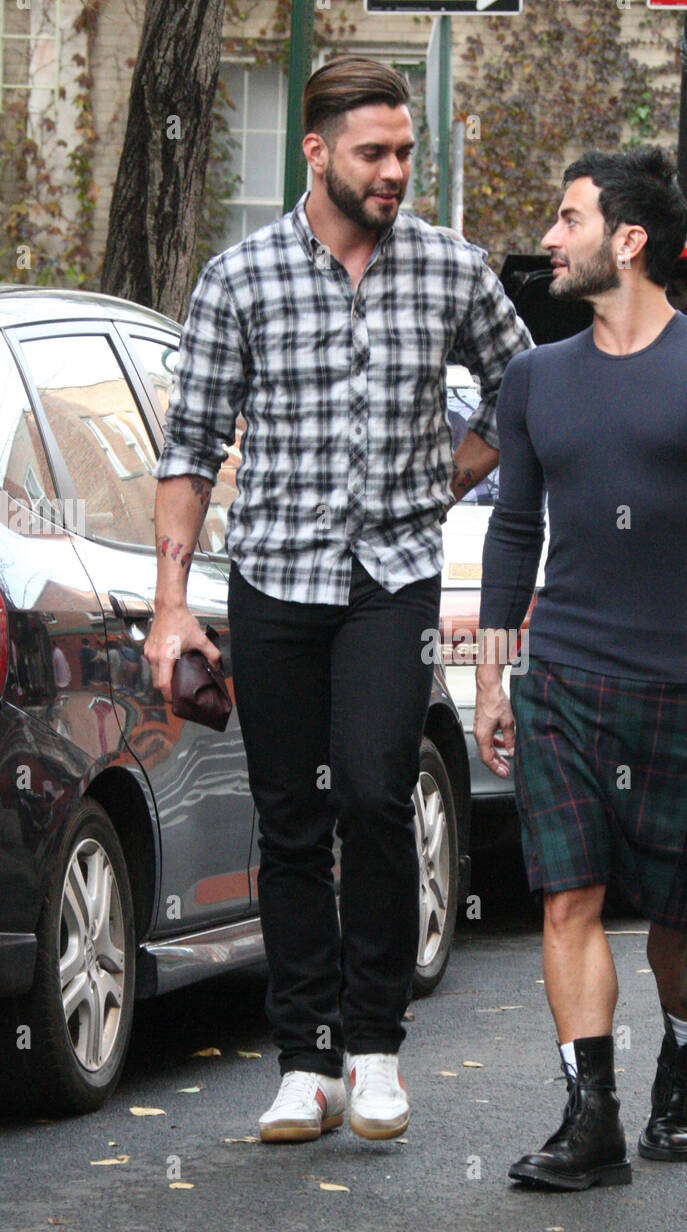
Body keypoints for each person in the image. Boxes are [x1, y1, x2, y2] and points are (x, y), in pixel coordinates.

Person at [146, 56, 532, 1144]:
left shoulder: (449, 270)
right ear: (315, 152)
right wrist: (173, 607)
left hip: (392, 582)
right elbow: (190, 448)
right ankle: (304, 1059)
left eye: (405, 152)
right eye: (374, 153)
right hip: (273, 578)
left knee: (372, 794)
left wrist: (445, 479)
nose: (395, 172)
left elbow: (523, 387)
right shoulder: (242, 277)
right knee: (289, 816)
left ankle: (373, 1048)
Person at [474, 148, 687, 1191]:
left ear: (629, 238)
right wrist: (491, 674)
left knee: (675, 914)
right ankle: (589, 1115)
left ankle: (681, 1070)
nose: (550, 240)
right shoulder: (533, 378)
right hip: (562, 677)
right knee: (567, 897)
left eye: (568, 219)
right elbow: (512, 530)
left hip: (683, 684)